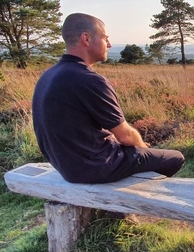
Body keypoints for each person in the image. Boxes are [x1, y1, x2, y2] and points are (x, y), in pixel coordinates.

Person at [32, 13, 185, 184]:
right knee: (175, 157)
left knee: (140, 155)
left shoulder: (48, 75)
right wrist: (141, 148)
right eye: (105, 38)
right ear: (86, 39)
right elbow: (126, 136)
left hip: (65, 166)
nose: (109, 44)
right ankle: (133, 200)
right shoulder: (90, 80)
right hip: (95, 167)